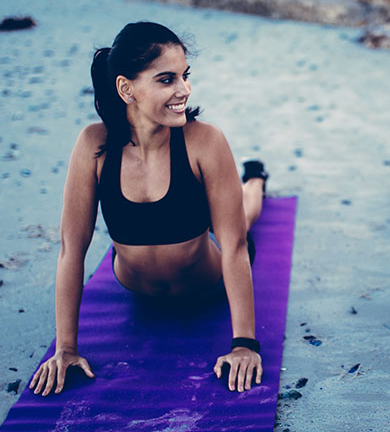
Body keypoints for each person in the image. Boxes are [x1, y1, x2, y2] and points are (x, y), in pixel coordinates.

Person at [29, 22, 267, 396]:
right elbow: (71, 249)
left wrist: (244, 345)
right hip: (135, 286)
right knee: (237, 215)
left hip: (205, 283)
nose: (184, 90)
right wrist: (66, 349)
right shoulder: (94, 145)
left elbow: (235, 247)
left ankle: (255, 181)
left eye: (185, 76)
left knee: (244, 218)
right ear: (127, 88)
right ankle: (250, 183)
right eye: (166, 79)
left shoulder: (204, 141)